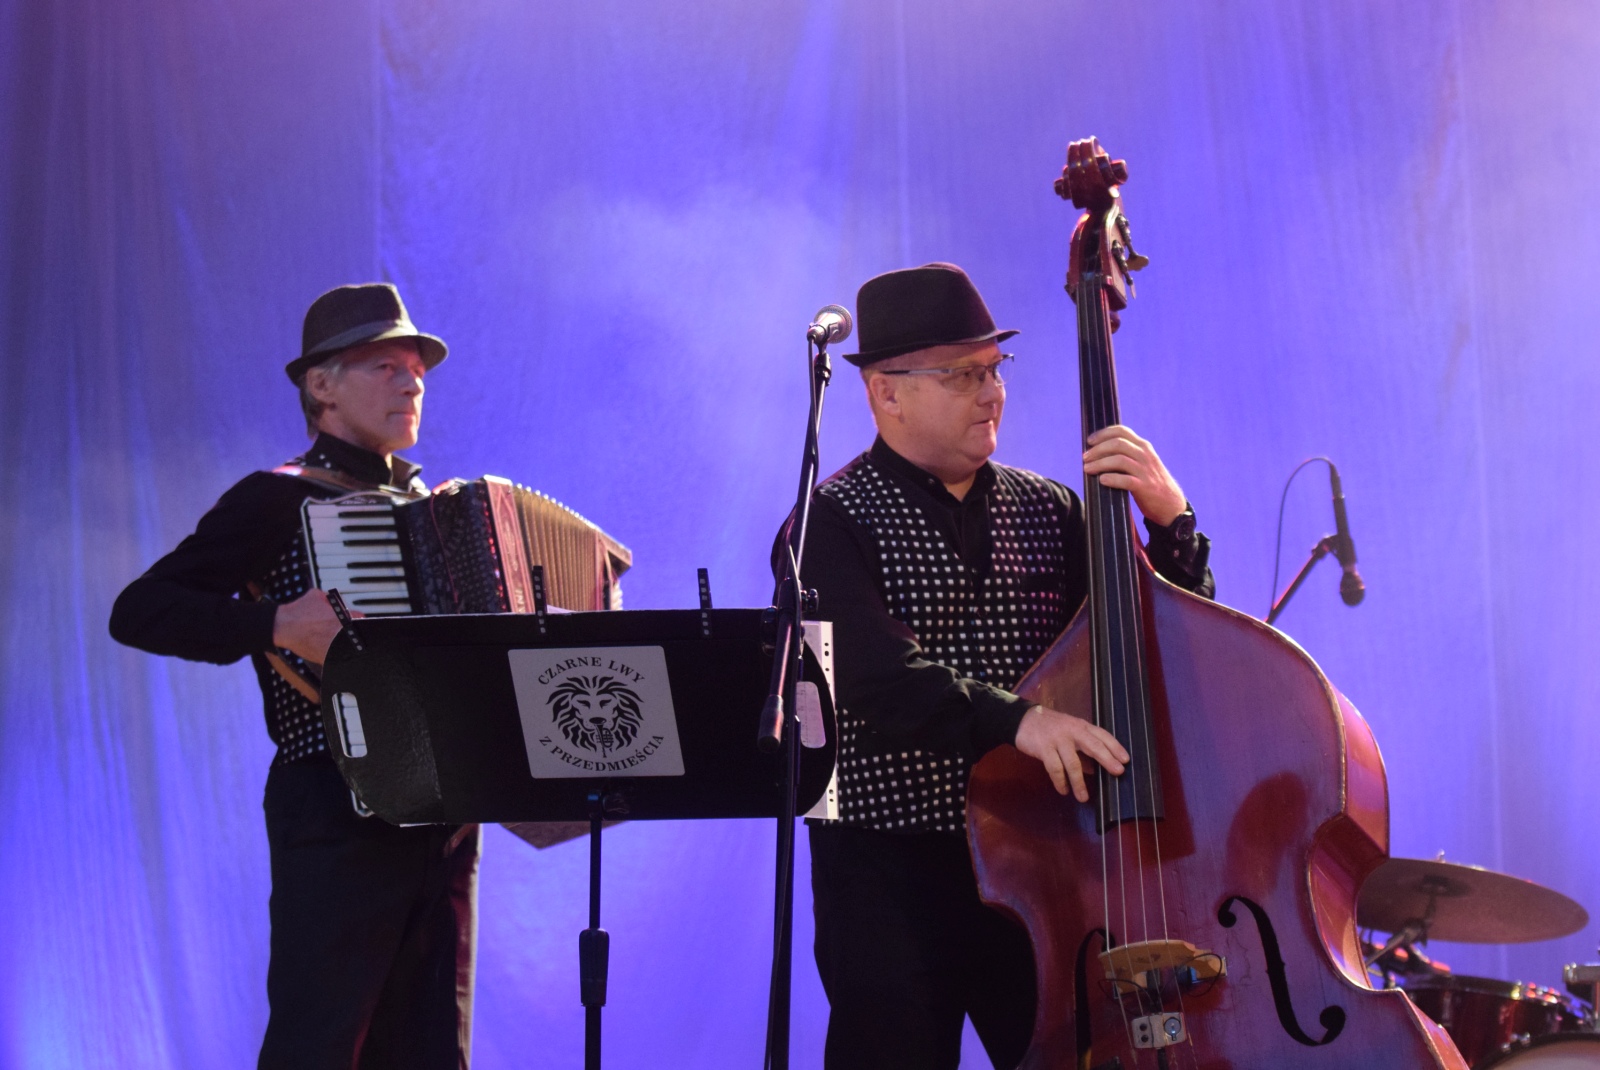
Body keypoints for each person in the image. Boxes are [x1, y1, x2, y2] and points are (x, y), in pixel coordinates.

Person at [776, 263, 1214, 1070]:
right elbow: (876, 677)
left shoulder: (1051, 508)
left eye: (993, 369)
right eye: (961, 375)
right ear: (885, 393)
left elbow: (1167, 647)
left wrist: (1172, 521)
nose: (991, 395)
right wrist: (1021, 721)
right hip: (889, 874)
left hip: (1040, 866)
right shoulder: (829, 524)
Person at [109, 283, 480, 1070]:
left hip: (444, 822)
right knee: (319, 1048)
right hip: (334, 802)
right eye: (385, 366)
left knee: (432, 1055)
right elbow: (141, 610)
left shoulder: (437, 509)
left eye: (416, 370)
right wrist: (275, 624)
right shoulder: (278, 499)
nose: (411, 383)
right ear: (321, 385)